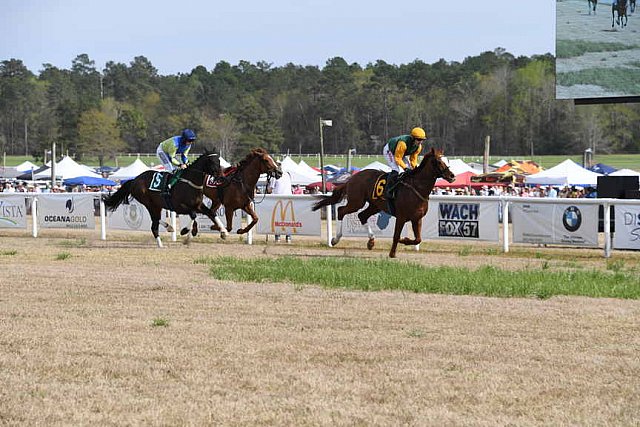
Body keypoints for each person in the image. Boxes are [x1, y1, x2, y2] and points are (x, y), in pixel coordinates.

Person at [382, 127, 427, 199]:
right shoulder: (403, 143)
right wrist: (405, 168)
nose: (420, 142)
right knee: (396, 169)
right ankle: (388, 190)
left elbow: (413, 159)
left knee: (410, 170)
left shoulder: (419, 147)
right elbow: (397, 158)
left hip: (400, 153)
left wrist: (415, 168)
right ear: (413, 138)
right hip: (390, 151)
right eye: (418, 139)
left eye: (422, 140)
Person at [266, 167, 293, 243]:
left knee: (277, 219)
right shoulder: (288, 175)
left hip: (277, 200)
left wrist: (267, 184)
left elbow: (269, 190)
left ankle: (277, 237)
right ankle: (288, 237)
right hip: (288, 199)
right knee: (287, 219)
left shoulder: (274, 177)